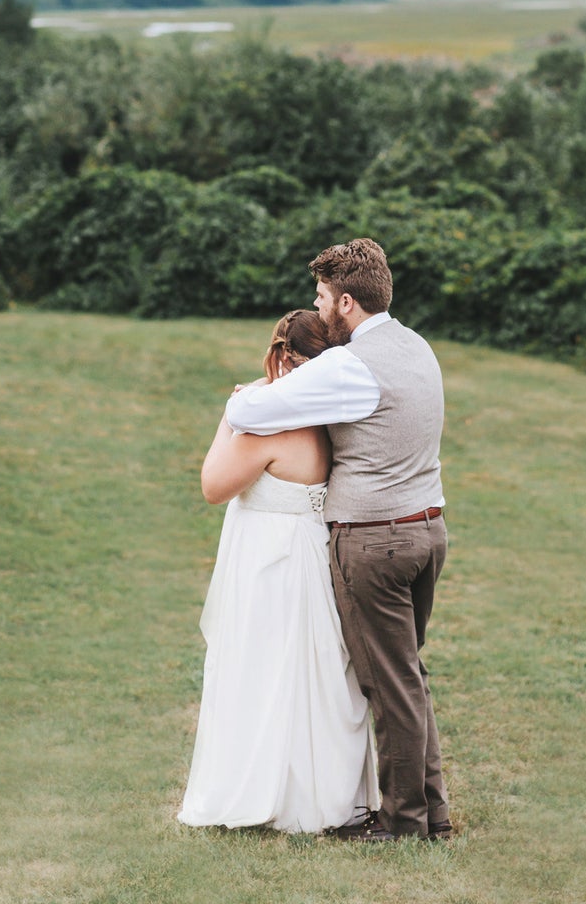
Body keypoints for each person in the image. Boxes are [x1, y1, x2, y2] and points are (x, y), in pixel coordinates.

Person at [225, 238, 450, 842]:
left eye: (322, 296)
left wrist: (246, 392)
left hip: (375, 542)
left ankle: (403, 823)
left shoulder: (348, 365)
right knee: (409, 674)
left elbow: (252, 415)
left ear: (345, 302)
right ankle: (433, 812)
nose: (317, 306)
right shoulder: (417, 346)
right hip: (428, 530)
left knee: (388, 682)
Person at [178, 309, 378, 833]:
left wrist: (232, 413)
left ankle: (256, 788)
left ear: (283, 356)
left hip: (268, 561)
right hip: (313, 556)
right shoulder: (334, 426)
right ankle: (317, 795)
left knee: (260, 670)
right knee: (310, 675)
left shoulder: (263, 423)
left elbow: (213, 486)